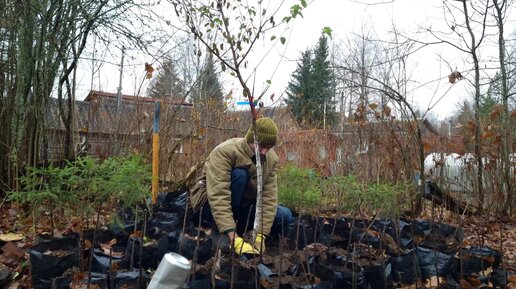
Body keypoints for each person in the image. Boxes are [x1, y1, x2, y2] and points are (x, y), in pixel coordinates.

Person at [189, 117, 294, 255]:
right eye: (261, 146)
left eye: (268, 148)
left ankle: (243, 231)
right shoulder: (225, 152)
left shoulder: (271, 158)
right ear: (251, 139)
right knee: (240, 175)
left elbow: (268, 198)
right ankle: (219, 232)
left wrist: (260, 235)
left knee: (284, 215)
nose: (264, 152)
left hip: (243, 206)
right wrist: (234, 238)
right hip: (210, 207)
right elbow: (219, 196)